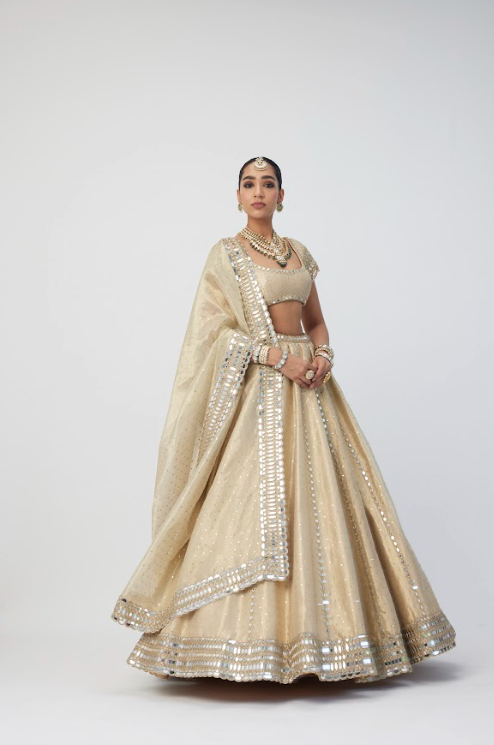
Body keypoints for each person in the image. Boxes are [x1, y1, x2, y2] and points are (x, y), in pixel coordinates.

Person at [110, 156, 456, 684]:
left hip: (312, 389)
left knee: (327, 502)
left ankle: (333, 640)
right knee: (249, 503)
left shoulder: (299, 253)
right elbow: (212, 334)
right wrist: (276, 358)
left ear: (281, 195)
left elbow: (316, 322)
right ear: (237, 195)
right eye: (249, 183)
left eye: (267, 183)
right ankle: (237, 643)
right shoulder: (226, 255)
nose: (258, 191)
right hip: (260, 389)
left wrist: (323, 356)